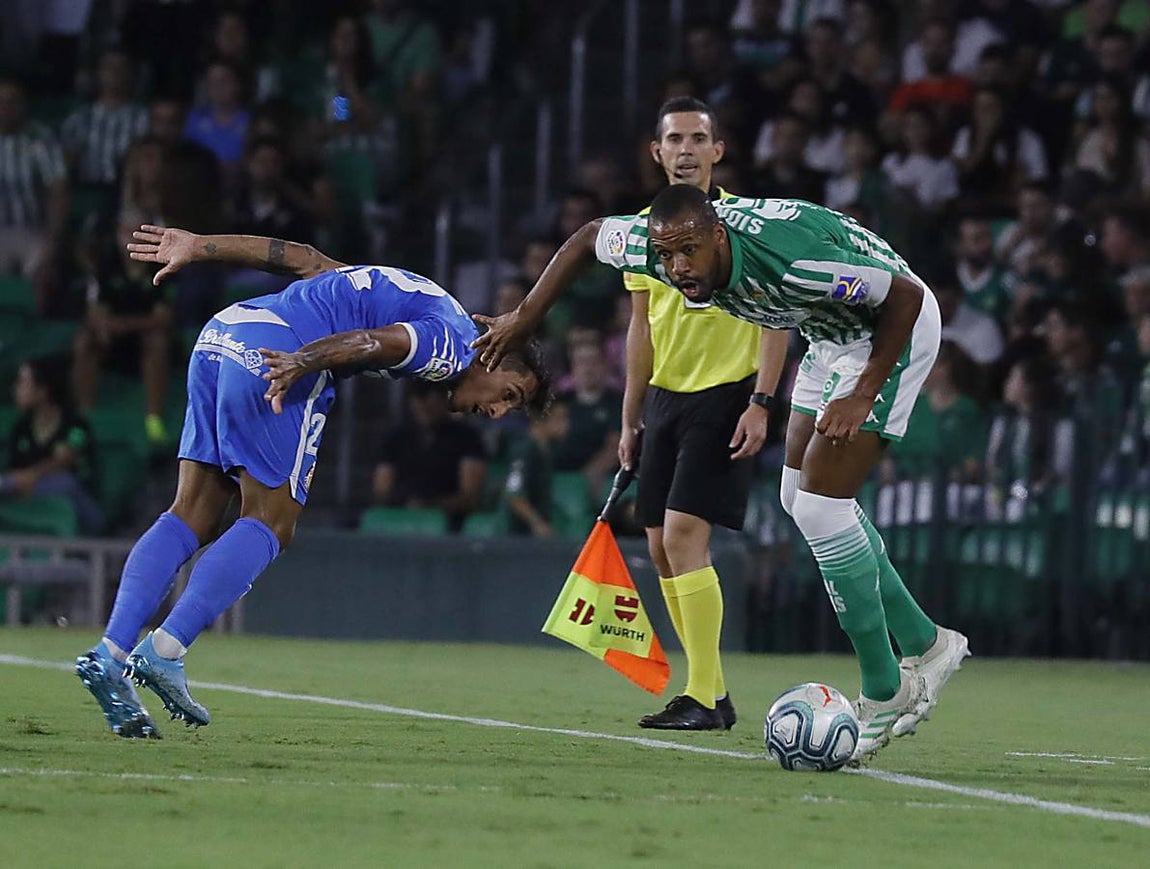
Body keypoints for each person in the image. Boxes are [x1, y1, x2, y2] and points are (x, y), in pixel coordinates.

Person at [474, 185, 968, 762]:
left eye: (689, 251)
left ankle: (885, 689)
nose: (678, 268)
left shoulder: (790, 265)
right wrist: (525, 318)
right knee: (795, 495)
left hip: (888, 332)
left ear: (717, 235)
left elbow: (904, 296)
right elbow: (586, 238)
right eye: (667, 256)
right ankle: (926, 642)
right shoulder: (662, 241)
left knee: (821, 507)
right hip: (827, 333)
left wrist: (863, 394)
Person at [75, 227, 550, 739]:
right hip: (279, 352)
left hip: (224, 331)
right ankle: (166, 650)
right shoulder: (452, 347)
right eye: (510, 395)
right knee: (271, 522)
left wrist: (199, 246)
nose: (498, 412)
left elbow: (300, 258)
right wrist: (304, 361)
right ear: (494, 357)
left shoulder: (420, 298)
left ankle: (111, 652)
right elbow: (373, 344)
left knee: (191, 511)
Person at [618, 97, 784, 731]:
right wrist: (631, 416)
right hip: (665, 399)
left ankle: (705, 696)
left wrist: (762, 402)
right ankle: (710, 691)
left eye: (699, 138)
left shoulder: (741, 224)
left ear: (718, 152)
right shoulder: (641, 230)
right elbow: (642, 327)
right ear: (656, 153)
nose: (686, 149)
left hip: (727, 395)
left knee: (686, 537)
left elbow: (777, 316)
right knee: (660, 547)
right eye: (674, 139)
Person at [0, 358, 103, 535]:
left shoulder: (74, 424)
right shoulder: (21, 428)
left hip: (81, 503)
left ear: (43, 390)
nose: (17, 388)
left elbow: (65, 460)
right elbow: (16, 471)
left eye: (24, 382)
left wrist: (31, 476)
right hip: (29, 493)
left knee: (65, 481)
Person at [372, 380, 487, 534]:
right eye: (419, 400)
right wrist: (406, 505)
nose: (425, 407)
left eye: (432, 401)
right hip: (400, 516)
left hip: (450, 524)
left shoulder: (466, 438)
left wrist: (429, 505)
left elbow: (470, 496)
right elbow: (382, 489)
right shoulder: (396, 438)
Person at [505, 398, 570, 537]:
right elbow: (515, 494)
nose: (566, 424)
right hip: (517, 537)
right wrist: (537, 523)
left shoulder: (547, 452)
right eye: (560, 417)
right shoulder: (524, 451)